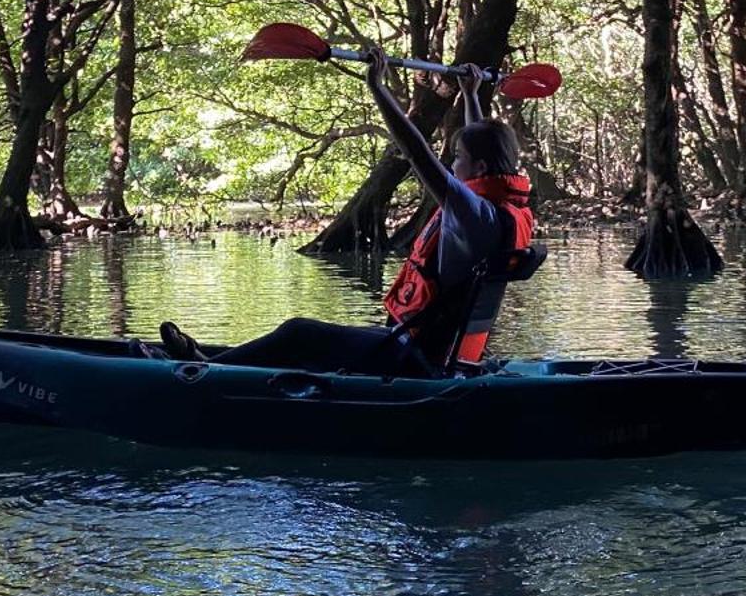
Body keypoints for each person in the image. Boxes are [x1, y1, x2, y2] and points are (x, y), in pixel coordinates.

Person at [159, 49, 536, 375]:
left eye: (457, 159)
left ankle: (204, 371)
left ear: (481, 169)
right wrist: (471, 93)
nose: (452, 167)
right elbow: (479, 143)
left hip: (417, 360)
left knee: (299, 333)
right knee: (312, 340)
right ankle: (212, 358)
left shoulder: (474, 214)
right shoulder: (504, 210)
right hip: (442, 352)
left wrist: (378, 88)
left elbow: (417, 150)